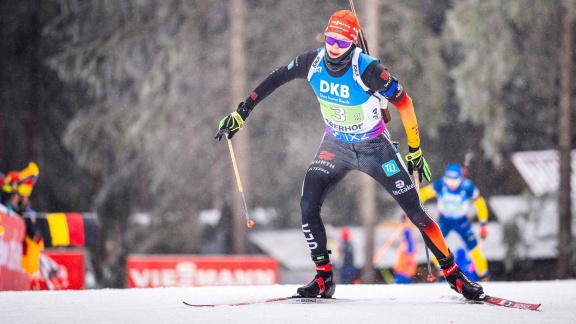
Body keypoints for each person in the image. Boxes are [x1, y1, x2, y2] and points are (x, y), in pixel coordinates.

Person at [215, 10, 484, 300]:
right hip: (335, 146)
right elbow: (276, 78)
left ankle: (454, 276)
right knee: (308, 205)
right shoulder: (313, 61)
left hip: (375, 148)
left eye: (342, 43)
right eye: (330, 39)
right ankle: (324, 278)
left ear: (353, 43)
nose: (333, 47)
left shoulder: (368, 69)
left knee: (416, 212)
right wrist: (242, 112)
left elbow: (405, 104)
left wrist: (415, 150)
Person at [419, 163, 490, 280]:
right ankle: (442, 273)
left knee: (474, 249)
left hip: (461, 221)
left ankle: (484, 276)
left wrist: (483, 224)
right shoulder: (441, 184)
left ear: (460, 178)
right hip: (444, 220)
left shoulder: (467, 187)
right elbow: (424, 193)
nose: (451, 185)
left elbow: (480, 204)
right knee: (435, 245)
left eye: (454, 181)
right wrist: (412, 208)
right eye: (449, 181)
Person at [392, 215, 417, 284]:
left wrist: (404, 224)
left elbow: (407, 234)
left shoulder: (409, 243)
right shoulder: (407, 242)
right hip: (403, 271)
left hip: (404, 272)